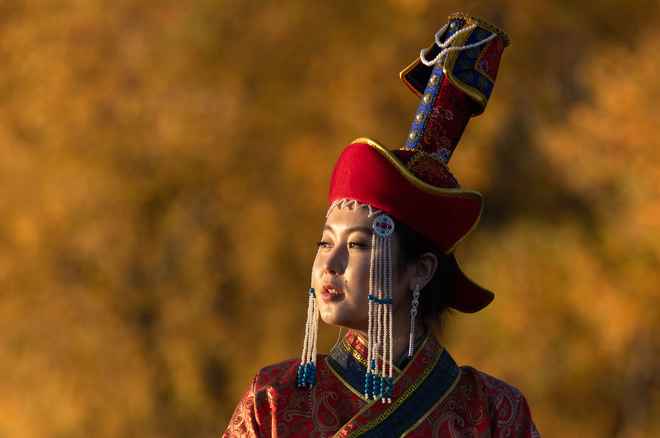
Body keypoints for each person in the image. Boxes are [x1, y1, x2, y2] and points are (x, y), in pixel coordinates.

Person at [224, 12, 540, 437]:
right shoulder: (274, 401)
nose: (328, 264)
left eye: (357, 245)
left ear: (420, 270)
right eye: (324, 243)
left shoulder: (493, 411)